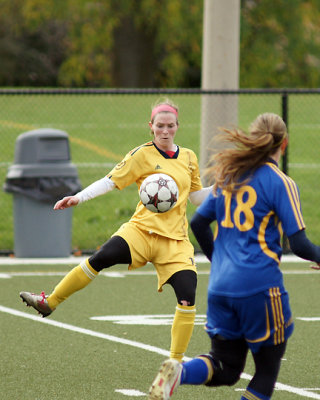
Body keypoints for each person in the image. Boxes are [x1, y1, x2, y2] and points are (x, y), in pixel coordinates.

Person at [20, 99, 212, 362]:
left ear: (177, 126)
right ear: (151, 126)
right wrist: (78, 197)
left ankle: (175, 364)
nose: (165, 131)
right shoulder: (140, 155)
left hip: (175, 242)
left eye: (170, 126)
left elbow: (197, 197)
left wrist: (224, 189)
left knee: (188, 296)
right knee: (101, 258)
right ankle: (49, 302)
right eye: (159, 126)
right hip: (141, 231)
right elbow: (111, 181)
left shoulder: (189, 157)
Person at [148, 112, 320, 400]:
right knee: (265, 373)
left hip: (221, 287)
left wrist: (219, 263)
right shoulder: (281, 182)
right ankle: (179, 372)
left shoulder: (230, 176)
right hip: (260, 287)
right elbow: (299, 243)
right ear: (284, 144)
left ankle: (180, 372)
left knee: (226, 368)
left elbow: (198, 223)